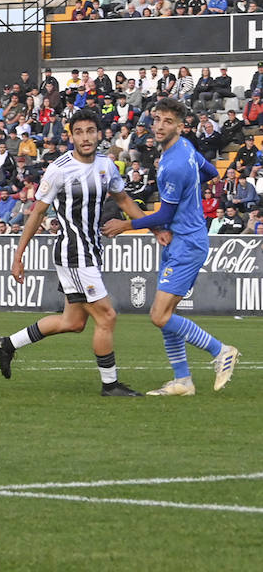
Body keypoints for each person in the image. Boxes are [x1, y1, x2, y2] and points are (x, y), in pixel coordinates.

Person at [0, 111, 156, 396]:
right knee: (107, 317)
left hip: (91, 250)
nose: (85, 137)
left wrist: (151, 226)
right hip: (73, 253)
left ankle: (7, 343)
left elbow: (123, 198)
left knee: (73, 322)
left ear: (99, 134)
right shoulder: (59, 168)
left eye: (90, 131)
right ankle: (110, 385)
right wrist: (18, 256)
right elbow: (37, 212)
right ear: (71, 136)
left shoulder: (107, 166)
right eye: (79, 132)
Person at [103, 99, 239, 395]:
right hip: (180, 240)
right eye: (157, 120)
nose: (160, 126)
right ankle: (182, 380)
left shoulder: (174, 164)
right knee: (165, 316)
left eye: (167, 121)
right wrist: (191, 191)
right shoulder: (184, 149)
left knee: (159, 315)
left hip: (186, 243)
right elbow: (211, 173)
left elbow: (164, 214)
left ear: (179, 125)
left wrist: (124, 225)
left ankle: (221, 351)